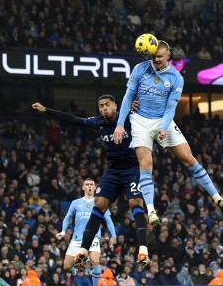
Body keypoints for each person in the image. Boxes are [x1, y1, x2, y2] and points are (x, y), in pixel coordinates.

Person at [113, 40, 223, 225]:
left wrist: (164, 127)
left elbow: (171, 108)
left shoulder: (176, 78)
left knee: (188, 158)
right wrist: (120, 124)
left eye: (160, 57)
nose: (156, 61)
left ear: (168, 55)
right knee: (146, 164)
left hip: (164, 120)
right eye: (153, 57)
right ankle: (152, 211)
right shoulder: (140, 69)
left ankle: (218, 199)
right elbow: (128, 96)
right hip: (140, 121)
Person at [32, 96, 150, 268]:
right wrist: (46, 110)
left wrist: (139, 105)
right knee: (98, 204)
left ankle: (143, 249)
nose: (104, 109)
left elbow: (148, 116)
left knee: (135, 203)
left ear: (116, 106)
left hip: (131, 169)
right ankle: (84, 250)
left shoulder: (129, 117)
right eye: (101, 106)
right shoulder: (98, 122)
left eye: (107, 105)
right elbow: (73, 120)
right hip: (112, 171)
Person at [57, 179, 116, 286]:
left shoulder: (101, 202)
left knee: (95, 261)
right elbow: (68, 217)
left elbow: (108, 221)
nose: (89, 186)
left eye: (91, 185)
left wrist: (113, 235)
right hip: (77, 238)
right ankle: (73, 273)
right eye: (87, 184)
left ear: (95, 188)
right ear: (83, 188)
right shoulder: (76, 202)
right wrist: (63, 231)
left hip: (93, 237)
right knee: (67, 266)